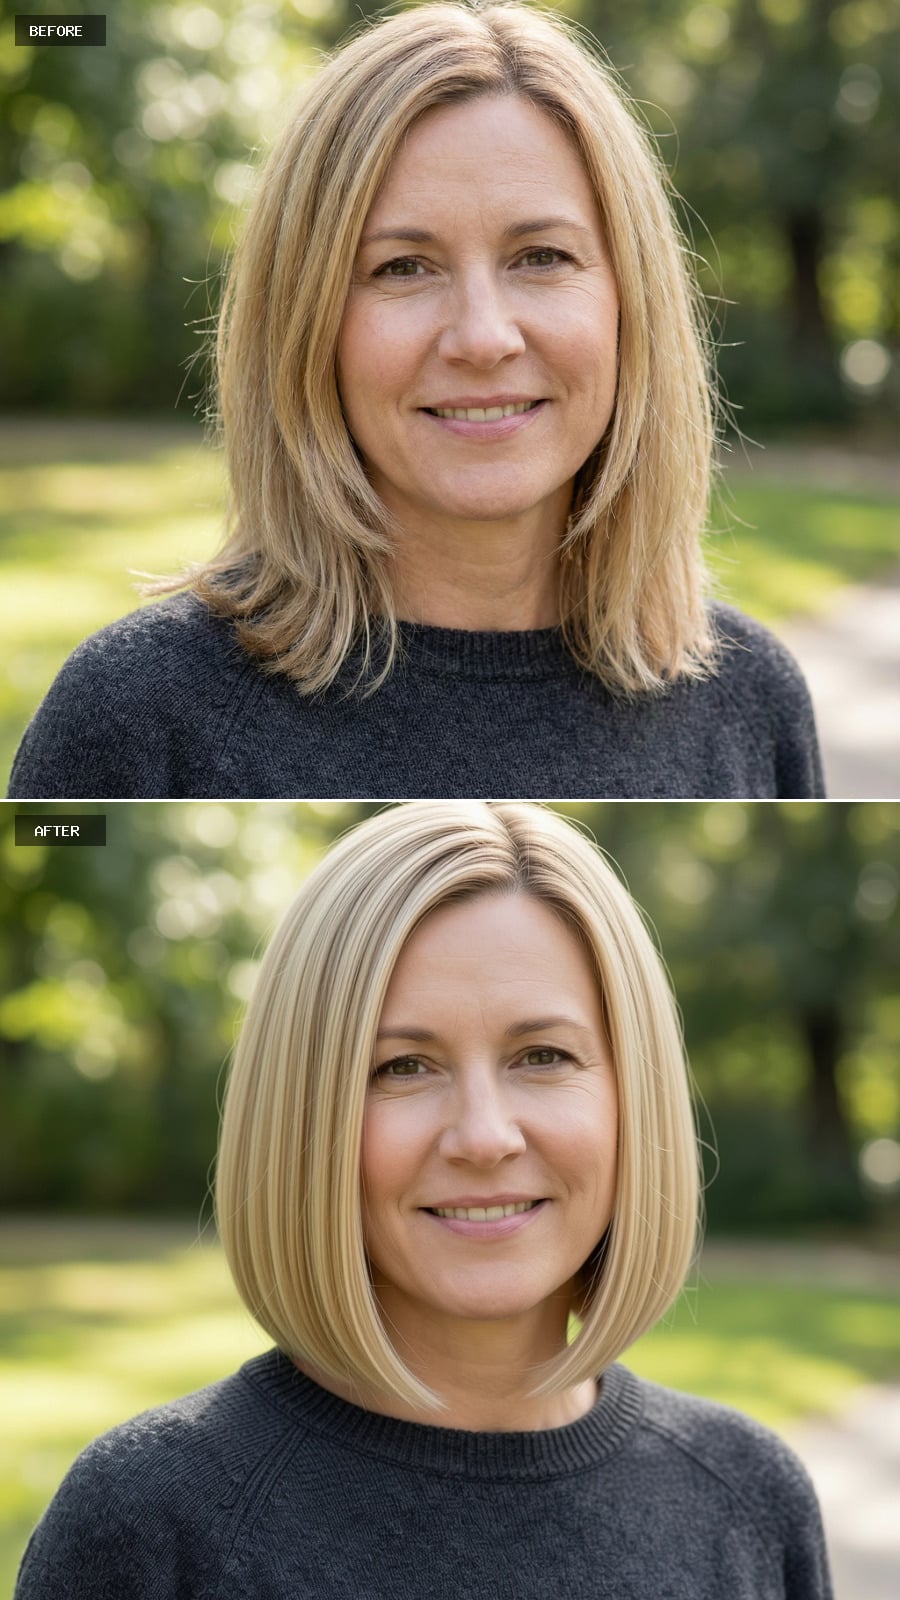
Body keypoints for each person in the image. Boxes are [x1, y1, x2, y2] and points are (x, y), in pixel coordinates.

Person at [16, 801, 833, 1598]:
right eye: (402, 1067)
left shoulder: (748, 1500)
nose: (484, 1137)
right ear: (306, 1115)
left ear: (632, 1096)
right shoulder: (151, 1524)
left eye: (542, 1055)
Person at [8, 2, 822, 800]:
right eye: (403, 267)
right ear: (304, 323)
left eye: (540, 256)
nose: (482, 336)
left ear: (629, 302)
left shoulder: (751, 703)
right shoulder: (138, 718)